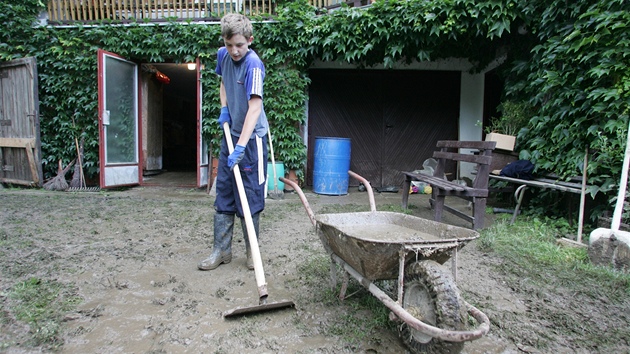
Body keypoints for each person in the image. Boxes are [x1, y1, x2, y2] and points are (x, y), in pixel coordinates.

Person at [198, 13, 269, 271]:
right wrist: (224, 108)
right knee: (225, 191)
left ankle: (252, 252)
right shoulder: (222, 55)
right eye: (229, 45)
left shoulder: (254, 66)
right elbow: (224, 83)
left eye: (239, 45)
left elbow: (254, 108)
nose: (234, 51)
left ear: (249, 40)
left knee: (250, 195)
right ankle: (221, 250)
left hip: (251, 141)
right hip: (231, 135)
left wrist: (241, 145)